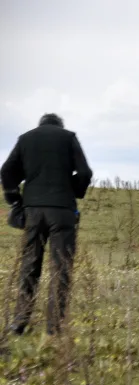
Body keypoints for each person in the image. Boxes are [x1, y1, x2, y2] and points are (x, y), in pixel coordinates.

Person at [1, 113, 93, 338]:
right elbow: (84, 172)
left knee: (30, 267)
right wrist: (73, 190)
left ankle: (19, 323)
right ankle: (54, 327)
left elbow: (6, 171)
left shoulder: (26, 139)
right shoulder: (68, 137)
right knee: (61, 269)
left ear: (40, 125)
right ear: (60, 125)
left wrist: (15, 198)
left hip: (33, 210)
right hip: (62, 211)